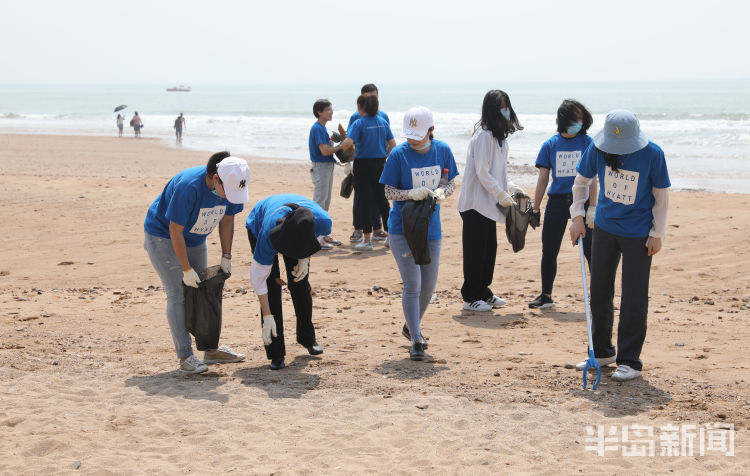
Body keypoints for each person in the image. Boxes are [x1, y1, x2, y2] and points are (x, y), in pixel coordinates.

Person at [569, 109, 670, 382]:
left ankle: (630, 361)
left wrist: (657, 233)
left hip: (638, 234)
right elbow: (581, 183)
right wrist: (577, 217)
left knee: (634, 296)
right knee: (600, 289)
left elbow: (661, 198)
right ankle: (602, 351)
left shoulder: (653, 154)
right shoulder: (598, 149)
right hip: (603, 228)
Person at [144, 151, 250, 374]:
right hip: (163, 235)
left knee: (204, 291)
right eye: (227, 191)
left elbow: (228, 220)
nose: (229, 197)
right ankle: (185, 356)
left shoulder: (232, 186)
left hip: (195, 238)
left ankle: (210, 350)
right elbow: (175, 230)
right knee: (178, 293)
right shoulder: (189, 186)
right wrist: (186, 269)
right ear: (214, 179)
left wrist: (226, 255)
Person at [380, 106, 459, 360]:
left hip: (430, 228)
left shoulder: (443, 151)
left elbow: (450, 183)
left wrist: (442, 194)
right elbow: (388, 192)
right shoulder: (398, 155)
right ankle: (416, 338)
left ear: (431, 130)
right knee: (412, 283)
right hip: (401, 229)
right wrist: (408, 194)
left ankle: (410, 324)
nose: (412, 139)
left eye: (418, 134)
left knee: (428, 286)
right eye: (409, 135)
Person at [246, 194, 332, 370]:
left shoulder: (323, 221)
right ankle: (276, 353)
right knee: (272, 286)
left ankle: (307, 338)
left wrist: (304, 259)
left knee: (300, 284)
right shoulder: (267, 236)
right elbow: (259, 280)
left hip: (299, 227)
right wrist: (268, 316)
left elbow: (310, 238)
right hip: (261, 222)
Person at [456, 90, 524, 312]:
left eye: (507, 106)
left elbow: (499, 171)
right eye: (501, 106)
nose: (505, 110)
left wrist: (510, 188)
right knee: (475, 251)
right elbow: (483, 172)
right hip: (475, 203)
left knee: (488, 250)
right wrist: (500, 194)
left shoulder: (498, 137)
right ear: (492, 110)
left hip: (488, 205)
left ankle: (483, 290)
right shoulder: (484, 136)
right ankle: (470, 297)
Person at [529, 99, 597, 309]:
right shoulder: (550, 144)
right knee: (549, 249)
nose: (580, 121)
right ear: (564, 119)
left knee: (592, 251)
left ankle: (601, 297)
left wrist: (593, 207)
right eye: (576, 117)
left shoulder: (588, 143)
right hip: (557, 202)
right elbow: (542, 179)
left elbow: (594, 178)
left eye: (581, 117)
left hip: (583, 203)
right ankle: (546, 295)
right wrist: (536, 208)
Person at [340, 94, 396, 250]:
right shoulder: (383, 122)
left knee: (365, 201)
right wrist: (386, 158)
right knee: (383, 202)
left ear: (361, 107)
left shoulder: (359, 123)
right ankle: (390, 237)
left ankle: (367, 240)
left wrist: (340, 143)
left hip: (363, 165)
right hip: (380, 164)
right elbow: (393, 145)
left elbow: (348, 144)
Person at [347, 83, 389, 244]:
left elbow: (387, 141)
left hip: (377, 162)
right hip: (362, 161)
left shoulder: (383, 117)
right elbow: (351, 142)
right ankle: (359, 229)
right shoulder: (355, 118)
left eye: (374, 97)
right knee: (362, 198)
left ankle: (378, 230)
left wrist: (386, 156)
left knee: (379, 199)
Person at [309, 99, 345, 249]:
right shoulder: (318, 128)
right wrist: (341, 146)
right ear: (319, 111)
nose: (331, 112)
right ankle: (316, 237)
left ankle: (324, 234)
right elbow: (324, 151)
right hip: (321, 166)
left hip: (327, 166)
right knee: (319, 202)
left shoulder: (323, 129)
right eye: (328, 109)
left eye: (332, 109)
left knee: (326, 201)